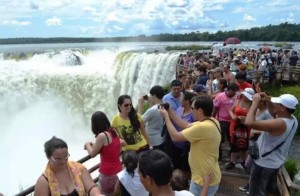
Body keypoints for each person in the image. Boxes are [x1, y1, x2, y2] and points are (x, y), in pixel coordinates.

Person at [159, 95, 221, 196]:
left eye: (192, 108)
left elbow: (175, 137)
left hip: (202, 181)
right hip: (206, 175)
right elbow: (186, 125)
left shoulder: (203, 127)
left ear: (200, 110)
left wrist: (166, 118)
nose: (191, 110)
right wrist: (170, 112)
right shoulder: (211, 121)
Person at [245, 93, 299, 196]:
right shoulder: (292, 119)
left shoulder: (279, 124)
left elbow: (249, 122)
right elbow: (274, 114)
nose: (274, 105)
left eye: (277, 104)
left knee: (256, 192)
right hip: (274, 162)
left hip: (264, 164)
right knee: (268, 190)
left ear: (283, 108)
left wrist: (255, 103)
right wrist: (269, 100)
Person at [34, 136, 102, 196]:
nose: (63, 161)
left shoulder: (79, 168)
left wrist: (97, 194)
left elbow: (91, 187)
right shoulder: (43, 181)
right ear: (48, 157)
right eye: (58, 159)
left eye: (66, 156)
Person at [84, 111, 122, 195]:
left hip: (108, 174)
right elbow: (109, 147)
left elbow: (92, 154)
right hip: (118, 171)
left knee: (106, 194)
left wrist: (87, 145)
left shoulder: (102, 136)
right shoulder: (113, 130)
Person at [226, 88, 254, 170]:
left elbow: (255, 116)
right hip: (235, 125)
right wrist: (234, 117)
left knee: (244, 145)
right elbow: (231, 110)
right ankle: (232, 162)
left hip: (246, 126)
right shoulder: (238, 101)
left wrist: (246, 118)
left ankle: (244, 161)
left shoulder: (253, 105)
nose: (244, 97)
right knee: (233, 143)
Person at [213, 83, 239, 161]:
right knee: (219, 138)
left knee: (232, 138)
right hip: (222, 120)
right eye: (234, 91)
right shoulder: (220, 96)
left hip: (233, 120)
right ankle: (218, 155)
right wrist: (213, 118)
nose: (235, 93)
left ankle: (232, 155)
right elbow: (215, 108)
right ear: (229, 90)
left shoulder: (236, 97)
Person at [137, 85, 165, 151]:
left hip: (152, 142)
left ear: (154, 96)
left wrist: (140, 103)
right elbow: (152, 115)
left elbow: (139, 121)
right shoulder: (164, 105)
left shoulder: (152, 110)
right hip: (161, 138)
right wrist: (150, 102)